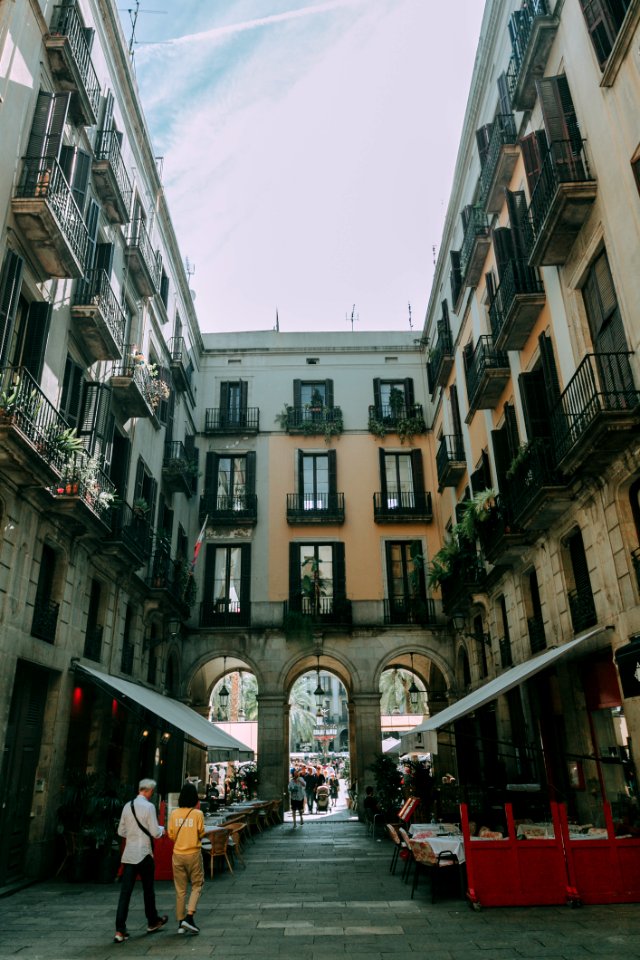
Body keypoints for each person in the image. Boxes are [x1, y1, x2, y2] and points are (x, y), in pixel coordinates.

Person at [114, 778, 168, 944]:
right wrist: (162, 829)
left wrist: (132, 834)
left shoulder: (127, 806)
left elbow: (121, 831)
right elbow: (154, 831)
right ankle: (152, 921)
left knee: (125, 893)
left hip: (129, 854)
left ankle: (119, 930)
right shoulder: (149, 807)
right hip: (144, 853)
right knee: (148, 890)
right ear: (150, 791)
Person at [167, 782, 205, 936]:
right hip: (194, 853)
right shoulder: (198, 814)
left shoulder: (174, 814)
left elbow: (170, 834)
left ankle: (180, 923)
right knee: (197, 884)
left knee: (180, 889)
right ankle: (189, 916)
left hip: (177, 854)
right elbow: (201, 833)